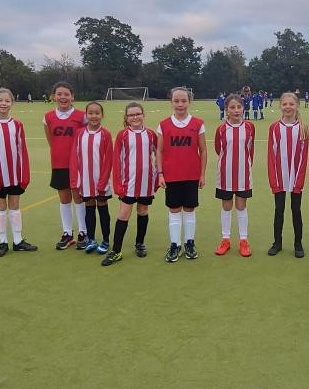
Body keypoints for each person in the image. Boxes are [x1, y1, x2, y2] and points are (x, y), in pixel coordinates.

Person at [0, 88, 37, 257]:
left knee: (15, 205)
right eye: (0, 100)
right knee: (0, 206)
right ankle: (3, 242)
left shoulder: (17, 124)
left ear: (12, 103)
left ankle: (18, 241)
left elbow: (22, 150)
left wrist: (24, 174)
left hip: (15, 174)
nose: (3, 103)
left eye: (7, 101)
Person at [156, 86, 207, 262]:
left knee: (190, 209)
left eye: (183, 101)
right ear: (171, 102)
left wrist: (202, 174)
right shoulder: (163, 125)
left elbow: (203, 151)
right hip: (171, 176)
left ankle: (189, 243)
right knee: (174, 209)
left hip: (191, 175)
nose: (180, 104)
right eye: (176, 101)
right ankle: (175, 244)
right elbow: (160, 151)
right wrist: (160, 174)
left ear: (189, 102)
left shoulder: (198, 124)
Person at [105, 102, 158, 266]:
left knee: (143, 211)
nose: (135, 117)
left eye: (138, 114)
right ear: (126, 118)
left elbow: (159, 156)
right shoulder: (122, 135)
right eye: (131, 115)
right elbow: (117, 161)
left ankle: (140, 243)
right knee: (123, 214)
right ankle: (116, 250)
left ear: (143, 115)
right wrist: (118, 184)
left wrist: (156, 178)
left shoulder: (151, 134)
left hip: (146, 183)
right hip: (128, 184)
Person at [43, 82, 89, 250]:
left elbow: (86, 138)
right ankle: (67, 233)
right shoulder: (48, 117)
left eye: (66, 94)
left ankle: (83, 232)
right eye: (59, 94)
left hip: (77, 163)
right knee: (64, 199)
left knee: (78, 197)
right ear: (54, 96)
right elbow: (51, 141)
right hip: (59, 163)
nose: (63, 97)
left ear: (72, 96)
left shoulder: (81, 116)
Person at [266, 92, 309, 258]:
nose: (288, 107)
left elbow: (304, 157)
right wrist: (274, 180)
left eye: (291, 104)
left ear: (297, 106)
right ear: (280, 106)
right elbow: (271, 155)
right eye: (285, 104)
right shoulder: (275, 128)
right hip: (279, 177)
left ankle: (298, 244)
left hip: (296, 177)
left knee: (296, 210)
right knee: (279, 209)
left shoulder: (303, 128)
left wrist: (298, 181)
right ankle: (277, 242)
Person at [213, 94, 255, 257]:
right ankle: (226, 239)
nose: (236, 110)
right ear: (226, 110)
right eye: (232, 107)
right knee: (226, 206)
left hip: (244, 173)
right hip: (225, 174)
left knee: (241, 206)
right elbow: (219, 149)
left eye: (239, 107)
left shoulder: (250, 127)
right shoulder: (221, 129)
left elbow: (250, 150)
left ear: (243, 108)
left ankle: (243, 240)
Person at [71, 101, 114, 255]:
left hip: (101, 181)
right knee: (89, 209)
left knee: (102, 208)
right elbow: (74, 157)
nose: (94, 116)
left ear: (102, 115)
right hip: (86, 181)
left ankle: (106, 239)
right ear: (86, 115)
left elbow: (108, 159)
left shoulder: (105, 134)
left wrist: (103, 182)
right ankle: (91, 239)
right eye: (91, 113)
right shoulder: (80, 133)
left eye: (97, 113)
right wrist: (75, 179)